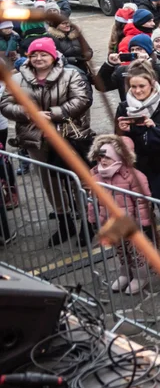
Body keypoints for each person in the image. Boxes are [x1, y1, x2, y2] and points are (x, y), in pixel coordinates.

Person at [0, 37, 91, 246]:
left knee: (78, 180)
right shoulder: (17, 79)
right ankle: (64, 222)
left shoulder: (70, 74)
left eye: (43, 54)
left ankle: (89, 222)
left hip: (68, 136)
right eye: (34, 54)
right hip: (36, 139)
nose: (39, 58)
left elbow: (81, 100)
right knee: (50, 183)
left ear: (53, 55)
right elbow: (5, 105)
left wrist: (52, 114)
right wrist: (30, 114)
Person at [86, 135, 154, 294]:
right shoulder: (96, 175)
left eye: (107, 158)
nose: (102, 161)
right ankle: (125, 273)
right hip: (110, 223)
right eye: (100, 157)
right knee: (120, 251)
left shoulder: (133, 176)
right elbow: (92, 200)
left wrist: (142, 223)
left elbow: (142, 201)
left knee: (136, 252)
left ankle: (140, 277)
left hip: (129, 225)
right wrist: (93, 218)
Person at [115, 60, 160, 203]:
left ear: (151, 84)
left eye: (141, 86)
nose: (137, 91)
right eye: (133, 87)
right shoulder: (124, 107)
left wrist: (154, 126)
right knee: (142, 210)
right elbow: (118, 140)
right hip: (136, 165)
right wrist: (124, 130)